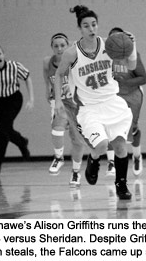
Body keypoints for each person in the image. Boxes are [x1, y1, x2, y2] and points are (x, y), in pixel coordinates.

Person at [54, 5, 137, 199]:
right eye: (86, 26)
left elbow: (131, 65)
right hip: (90, 107)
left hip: (112, 102)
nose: (91, 29)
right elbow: (58, 75)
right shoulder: (71, 53)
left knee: (120, 146)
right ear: (80, 29)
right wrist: (58, 101)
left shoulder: (110, 45)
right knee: (101, 146)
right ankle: (93, 160)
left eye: (94, 25)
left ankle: (121, 186)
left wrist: (133, 46)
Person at [0, 44, 34, 175]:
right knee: (6, 130)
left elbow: (28, 78)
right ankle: (22, 142)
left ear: (3, 55)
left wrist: (31, 99)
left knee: (2, 130)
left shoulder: (14, 66)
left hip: (14, 99)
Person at [43, 33, 86, 187]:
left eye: (63, 45)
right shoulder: (47, 62)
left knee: (77, 141)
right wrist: (48, 91)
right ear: (52, 47)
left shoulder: (74, 60)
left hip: (76, 103)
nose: (59, 48)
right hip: (60, 102)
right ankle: (58, 157)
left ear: (67, 46)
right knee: (57, 129)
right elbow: (46, 76)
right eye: (56, 45)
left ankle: (75, 172)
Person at [105, 27, 146, 177]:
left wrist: (126, 81)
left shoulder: (132, 56)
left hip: (132, 94)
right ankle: (111, 162)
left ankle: (137, 156)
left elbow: (144, 78)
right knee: (110, 128)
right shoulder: (104, 57)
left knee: (133, 130)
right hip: (114, 96)